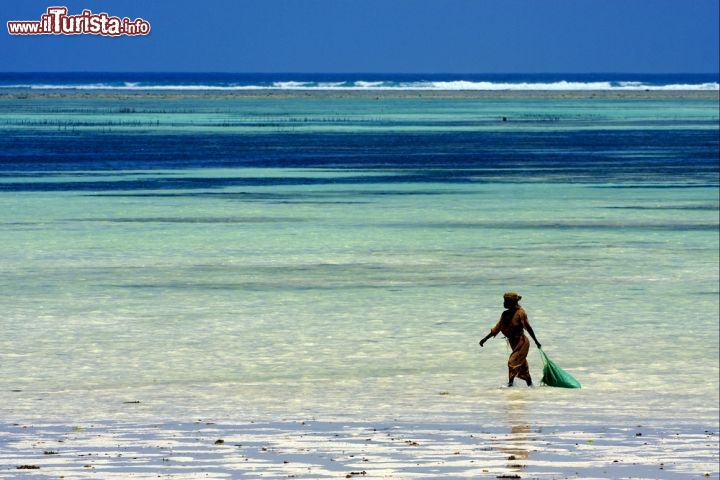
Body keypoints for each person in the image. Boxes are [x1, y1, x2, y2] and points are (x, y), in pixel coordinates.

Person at [479, 292, 541, 387]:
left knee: (512, 362)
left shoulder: (520, 313)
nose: (504, 303)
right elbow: (497, 328)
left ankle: (510, 385)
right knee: (523, 367)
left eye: (506, 301)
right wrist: (485, 339)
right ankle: (531, 386)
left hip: (522, 342)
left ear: (512, 302)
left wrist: (536, 341)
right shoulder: (505, 314)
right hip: (513, 343)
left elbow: (528, 328)